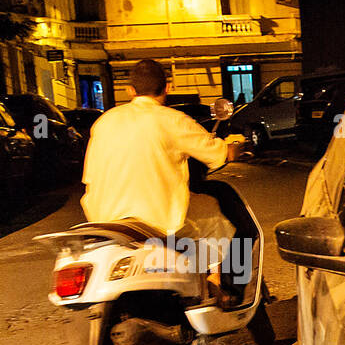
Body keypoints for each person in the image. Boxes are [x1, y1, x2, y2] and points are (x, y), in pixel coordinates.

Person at [81, 58, 248, 303]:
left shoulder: (104, 122)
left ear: (130, 91)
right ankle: (220, 287)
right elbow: (219, 153)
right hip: (155, 221)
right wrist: (237, 147)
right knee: (218, 220)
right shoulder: (171, 119)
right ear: (167, 87)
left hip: (104, 220)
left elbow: (89, 176)